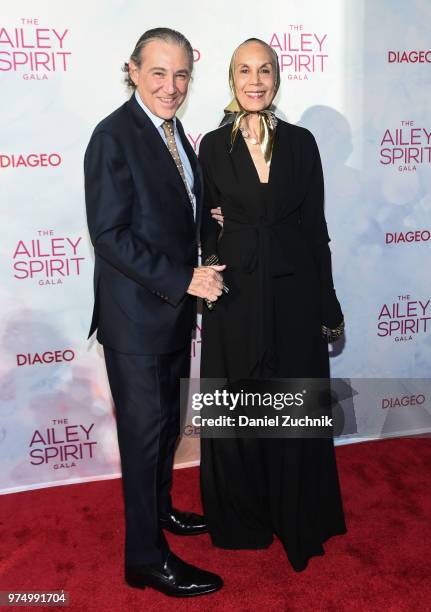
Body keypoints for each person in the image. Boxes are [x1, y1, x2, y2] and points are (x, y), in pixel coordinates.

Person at [84, 28, 224, 597]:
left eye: (182, 74)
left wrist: (207, 212)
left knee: (165, 427)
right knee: (144, 437)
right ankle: (144, 559)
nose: (172, 86)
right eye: (159, 73)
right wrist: (183, 277)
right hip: (136, 320)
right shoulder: (113, 136)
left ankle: (161, 511)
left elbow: (169, 209)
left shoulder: (169, 131)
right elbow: (110, 235)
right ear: (133, 71)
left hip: (169, 313)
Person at [199, 38, 347, 572]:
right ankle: (242, 518)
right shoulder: (213, 146)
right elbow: (203, 229)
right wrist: (216, 253)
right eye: (244, 70)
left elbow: (317, 230)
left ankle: (298, 515)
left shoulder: (303, 144)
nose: (254, 80)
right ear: (231, 79)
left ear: (277, 78)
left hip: (294, 295)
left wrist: (328, 303)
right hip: (235, 298)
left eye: (264, 70)